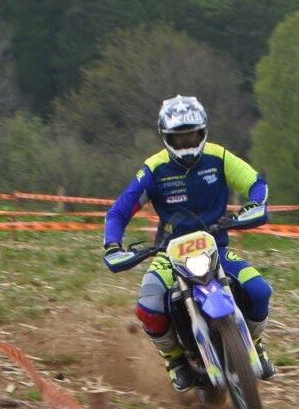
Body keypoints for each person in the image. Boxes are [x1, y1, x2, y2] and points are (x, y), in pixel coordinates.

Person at [102, 94, 275, 392]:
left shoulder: (219, 157)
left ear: (203, 132)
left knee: (259, 290)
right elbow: (119, 212)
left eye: (191, 136)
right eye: (178, 138)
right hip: (169, 253)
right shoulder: (153, 169)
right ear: (165, 137)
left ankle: (255, 344)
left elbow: (255, 182)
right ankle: (174, 359)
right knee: (149, 307)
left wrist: (254, 205)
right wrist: (113, 246)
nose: (186, 143)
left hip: (216, 248)